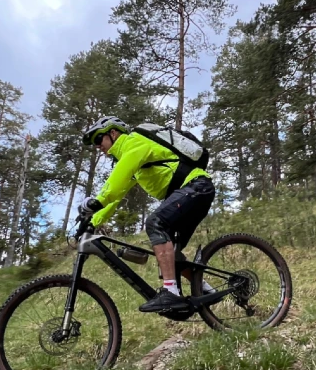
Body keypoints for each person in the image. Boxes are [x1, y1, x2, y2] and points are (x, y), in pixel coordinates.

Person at [77, 116, 215, 314]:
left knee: (155, 223)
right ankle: (205, 289)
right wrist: (93, 220)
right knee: (172, 253)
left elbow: (113, 185)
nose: (98, 146)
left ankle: (171, 292)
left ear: (113, 133)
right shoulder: (130, 160)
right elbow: (116, 196)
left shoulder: (134, 142)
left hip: (196, 186)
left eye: (99, 139)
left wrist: (97, 201)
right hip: (193, 192)